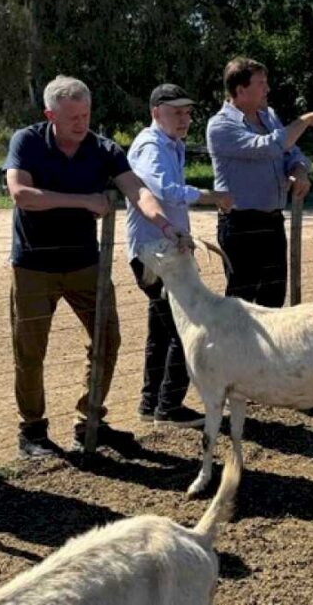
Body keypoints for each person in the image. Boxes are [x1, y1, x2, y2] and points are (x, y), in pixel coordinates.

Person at [5, 75, 190, 459]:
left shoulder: (103, 149)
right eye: (72, 116)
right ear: (49, 114)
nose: (81, 123)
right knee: (30, 350)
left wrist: (167, 226)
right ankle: (33, 431)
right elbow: (21, 194)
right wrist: (83, 201)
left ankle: (90, 420)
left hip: (86, 264)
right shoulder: (27, 141)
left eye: (86, 114)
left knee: (107, 339)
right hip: (33, 265)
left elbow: (138, 190)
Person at [126, 83, 234, 427]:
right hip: (154, 252)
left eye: (187, 112)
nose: (185, 118)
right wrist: (209, 195)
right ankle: (168, 407)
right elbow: (162, 189)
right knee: (181, 327)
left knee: (162, 328)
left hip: (161, 249)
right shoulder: (150, 145)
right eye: (177, 112)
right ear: (156, 112)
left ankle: (152, 404)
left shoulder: (171, 144)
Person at [205, 57, 313, 306]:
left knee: (273, 300)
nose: (268, 89)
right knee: (242, 305)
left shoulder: (269, 117)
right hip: (241, 224)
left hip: (272, 220)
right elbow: (268, 146)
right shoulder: (220, 126)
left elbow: (292, 152)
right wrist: (304, 121)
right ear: (240, 90)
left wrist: (300, 170)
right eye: (261, 83)